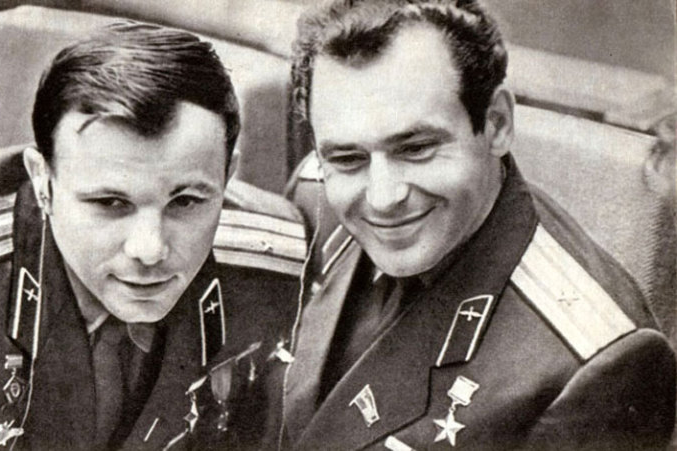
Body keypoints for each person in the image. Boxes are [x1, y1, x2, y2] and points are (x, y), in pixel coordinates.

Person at [253, 1, 676, 450]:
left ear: (497, 124)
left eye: (416, 148)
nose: (382, 197)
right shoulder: (316, 194)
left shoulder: (596, 364)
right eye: (348, 158)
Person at [0, 23, 305, 450]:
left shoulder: (281, 266)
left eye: (186, 201)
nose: (150, 250)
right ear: (43, 182)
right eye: (110, 203)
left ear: (227, 176)